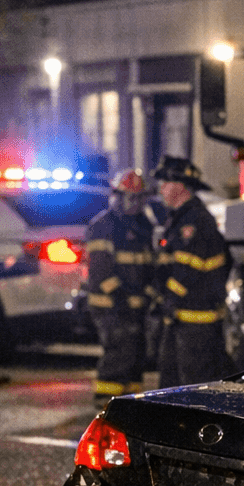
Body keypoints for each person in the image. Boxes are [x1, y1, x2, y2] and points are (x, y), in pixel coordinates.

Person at [152, 156, 231, 388]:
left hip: (196, 318)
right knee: (171, 379)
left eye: (165, 183)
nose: (161, 189)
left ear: (179, 186)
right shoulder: (180, 218)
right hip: (181, 316)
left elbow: (190, 266)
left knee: (194, 383)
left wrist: (170, 298)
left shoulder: (195, 221)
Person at [85, 169, 156, 404]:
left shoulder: (143, 225)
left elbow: (147, 265)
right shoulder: (102, 226)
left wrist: (148, 294)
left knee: (136, 355)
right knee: (119, 352)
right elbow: (100, 271)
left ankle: (130, 402)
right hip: (110, 305)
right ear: (115, 196)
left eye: (140, 198)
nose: (135, 203)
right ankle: (106, 401)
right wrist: (121, 297)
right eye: (130, 197)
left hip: (135, 304)